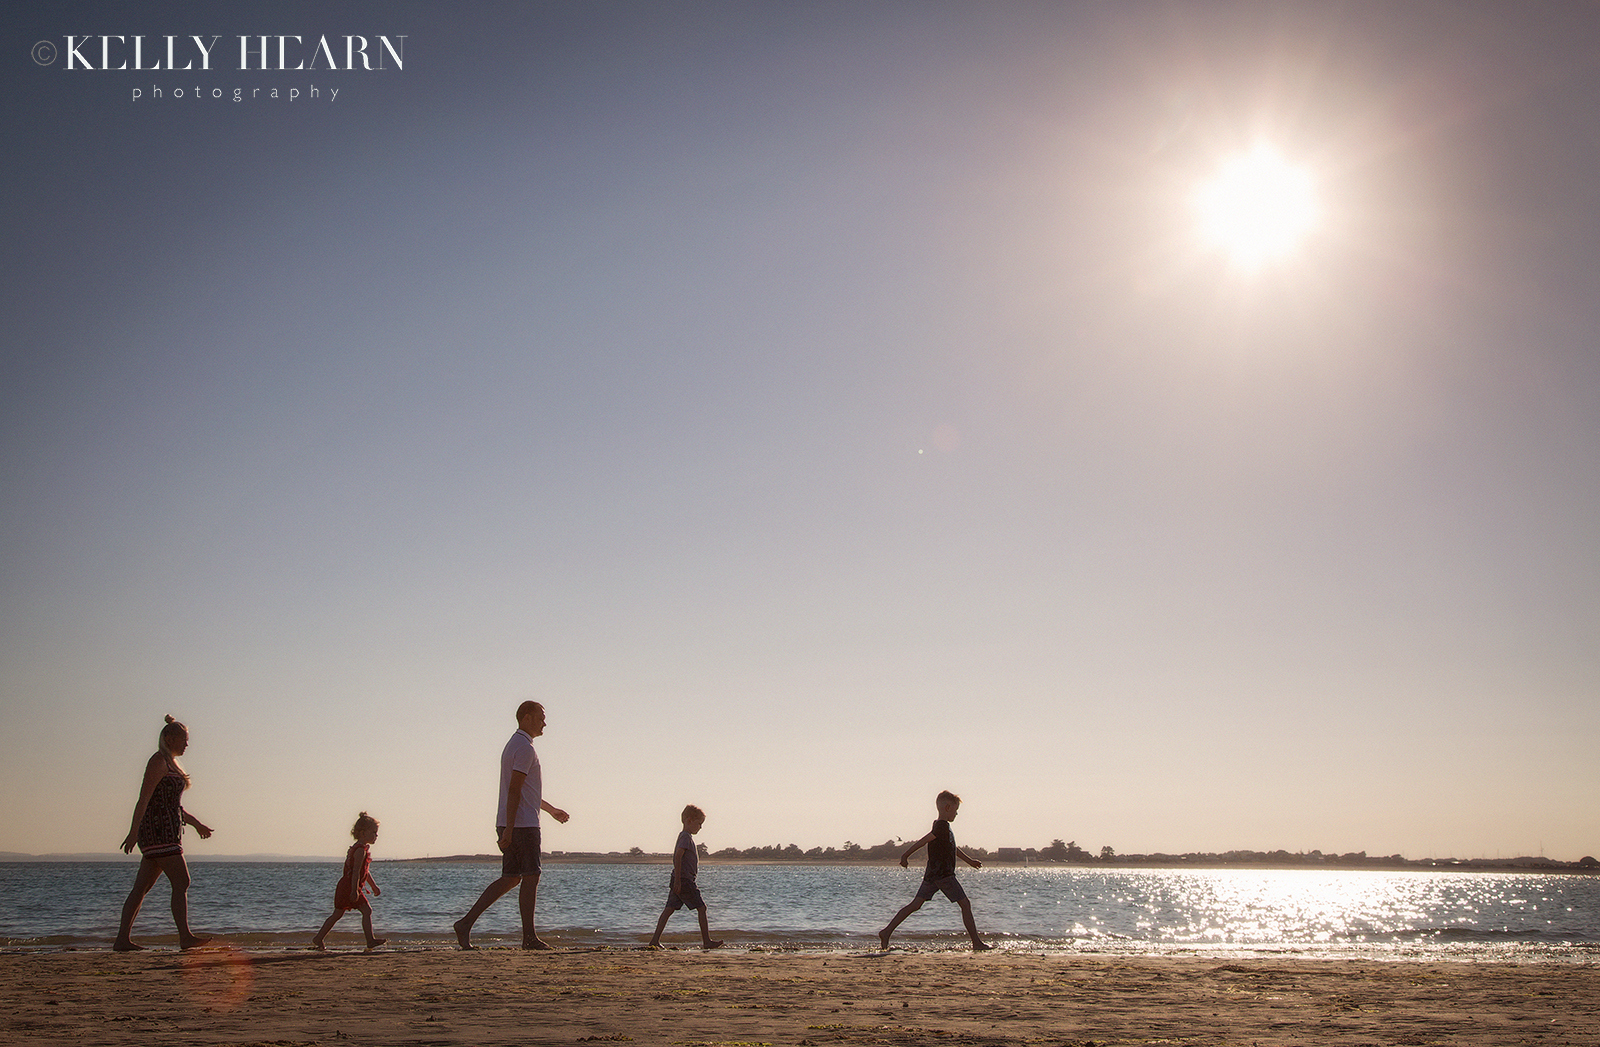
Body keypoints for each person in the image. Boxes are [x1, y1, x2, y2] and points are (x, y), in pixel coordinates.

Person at [453, 701, 569, 949]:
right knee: (531, 877)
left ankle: (465, 923)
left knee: (510, 878)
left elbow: (525, 792)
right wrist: (509, 828)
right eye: (541, 718)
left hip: (514, 821)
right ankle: (529, 938)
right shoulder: (524, 748)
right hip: (522, 825)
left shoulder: (515, 745)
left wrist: (550, 811)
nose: (544, 723)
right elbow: (514, 789)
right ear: (527, 718)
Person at [113, 715, 214, 951]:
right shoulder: (158, 761)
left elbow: (173, 805)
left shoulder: (171, 763)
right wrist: (133, 832)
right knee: (182, 881)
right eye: (184, 740)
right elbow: (145, 799)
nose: (187, 745)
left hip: (167, 830)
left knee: (141, 888)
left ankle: (121, 940)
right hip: (157, 832)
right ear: (169, 738)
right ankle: (185, 937)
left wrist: (196, 823)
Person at [878, 790, 990, 951]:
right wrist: (905, 855)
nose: (957, 814)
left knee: (915, 904)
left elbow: (953, 848)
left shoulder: (942, 827)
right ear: (947, 807)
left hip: (932, 875)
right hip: (943, 875)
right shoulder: (941, 827)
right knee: (965, 904)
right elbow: (923, 841)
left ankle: (886, 932)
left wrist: (970, 861)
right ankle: (977, 943)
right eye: (955, 810)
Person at [646, 804, 723, 950]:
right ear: (689, 821)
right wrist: (679, 881)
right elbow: (678, 857)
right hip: (684, 880)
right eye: (699, 823)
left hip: (681, 879)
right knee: (701, 908)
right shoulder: (685, 837)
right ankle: (706, 941)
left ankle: (654, 940)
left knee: (669, 909)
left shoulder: (686, 837)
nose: (700, 827)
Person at [311, 812, 386, 950]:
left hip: (346, 885)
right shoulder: (360, 851)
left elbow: (365, 872)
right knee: (366, 910)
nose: (376, 836)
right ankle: (370, 940)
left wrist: (373, 886)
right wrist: (354, 891)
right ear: (363, 833)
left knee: (338, 914)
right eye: (374, 832)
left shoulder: (359, 849)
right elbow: (356, 872)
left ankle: (318, 938)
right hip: (349, 887)